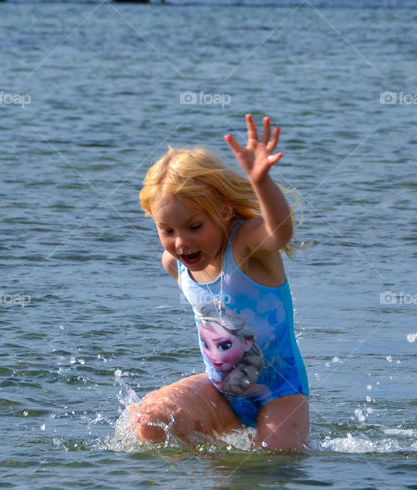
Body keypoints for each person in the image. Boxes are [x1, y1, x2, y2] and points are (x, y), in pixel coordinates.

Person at [128, 114, 310, 450]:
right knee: (149, 424)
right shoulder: (175, 264)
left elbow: (280, 230)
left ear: (225, 211)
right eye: (167, 231)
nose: (181, 243)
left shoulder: (247, 248)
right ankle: (199, 485)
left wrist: (261, 182)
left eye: (194, 227)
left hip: (280, 393)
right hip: (220, 391)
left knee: (272, 466)